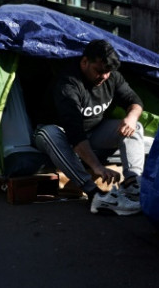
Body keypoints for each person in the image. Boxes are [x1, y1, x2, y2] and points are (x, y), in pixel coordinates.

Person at [33, 39, 145, 215]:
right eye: (99, 71)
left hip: (93, 133)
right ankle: (95, 195)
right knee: (49, 133)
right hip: (62, 135)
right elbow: (74, 132)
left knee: (135, 126)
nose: (104, 76)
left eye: (108, 72)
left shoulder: (111, 76)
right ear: (84, 62)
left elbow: (135, 101)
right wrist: (97, 167)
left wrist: (131, 117)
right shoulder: (68, 84)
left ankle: (133, 185)